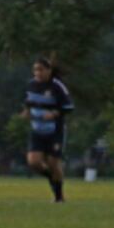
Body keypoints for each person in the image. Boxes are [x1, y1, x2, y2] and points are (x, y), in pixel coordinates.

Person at [23, 57, 73, 203]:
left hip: (54, 131)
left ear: (49, 70)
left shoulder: (57, 86)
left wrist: (54, 114)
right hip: (37, 130)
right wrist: (26, 111)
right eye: (35, 70)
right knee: (34, 162)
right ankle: (53, 179)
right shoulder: (31, 85)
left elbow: (69, 107)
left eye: (41, 69)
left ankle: (59, 196)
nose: (37, 73)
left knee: (53, 163)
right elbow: (28, 101)